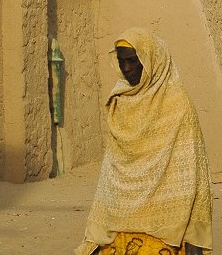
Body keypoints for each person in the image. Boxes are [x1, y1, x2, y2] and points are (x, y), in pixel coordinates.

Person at [75, 28, 212, 255]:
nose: (126, 68)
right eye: (121, 62)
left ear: (151, 59)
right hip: (119, 233)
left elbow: (192, 177)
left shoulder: (177, 105)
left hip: (165, 236)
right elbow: (111, 176)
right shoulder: (120, 103)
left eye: (132, 60)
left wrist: (194, 242)